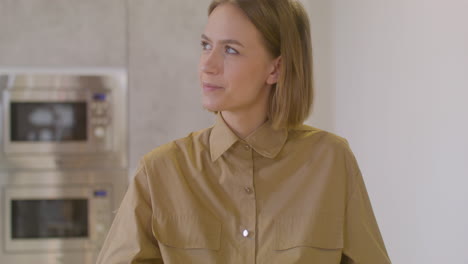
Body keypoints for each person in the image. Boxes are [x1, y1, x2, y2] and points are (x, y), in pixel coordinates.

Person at [96, 0, 392, 263]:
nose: (207, 65)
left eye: (230, 50)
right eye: (205, 45)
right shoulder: (159, 172)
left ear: (275, 69)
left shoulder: (331, 161)